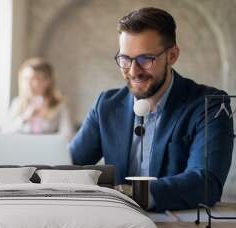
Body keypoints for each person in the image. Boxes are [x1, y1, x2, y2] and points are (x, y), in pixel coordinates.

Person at [69, 7, 234, 211]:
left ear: (172, 56)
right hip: (117, 225)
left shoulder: (210, 104)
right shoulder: (106, 105)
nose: (133, 71)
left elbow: (206, 182)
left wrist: (128, 194)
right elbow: (71, 166)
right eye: (125, 59)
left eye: (145, 59)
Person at [3, 58, 74, 141]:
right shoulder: (18, 103)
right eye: (25, 79)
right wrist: (24, 118)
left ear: (47, 81)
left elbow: (67, 136)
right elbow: (4, 133)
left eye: (33, 79)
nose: (28, 84)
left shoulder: (59, 106)